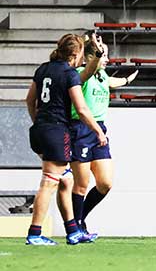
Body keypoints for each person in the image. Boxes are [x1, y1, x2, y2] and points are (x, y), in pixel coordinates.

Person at [24, 34, 107, 245]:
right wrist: (98, 131)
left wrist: (39, 122)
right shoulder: (69, 73)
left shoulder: (43, 69)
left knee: (66, 180)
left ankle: (73, 231)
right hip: (57, 131)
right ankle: (34, 233)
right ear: (75, 54)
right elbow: (81, 109)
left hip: (40, 130)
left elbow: (30, 99)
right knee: (49, 182)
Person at [69, 39, 139, 235]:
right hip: (81, 129)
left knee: (105, 183)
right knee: (81, 184)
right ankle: (76, 228)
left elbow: (110, 81)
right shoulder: (79, 74)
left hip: (99, 130)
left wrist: (127, 80)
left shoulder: (101, 74)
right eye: (103, 54)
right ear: (90, 56)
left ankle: (80, 219)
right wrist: (96, 57)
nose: (107, 59)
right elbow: (88, 73)